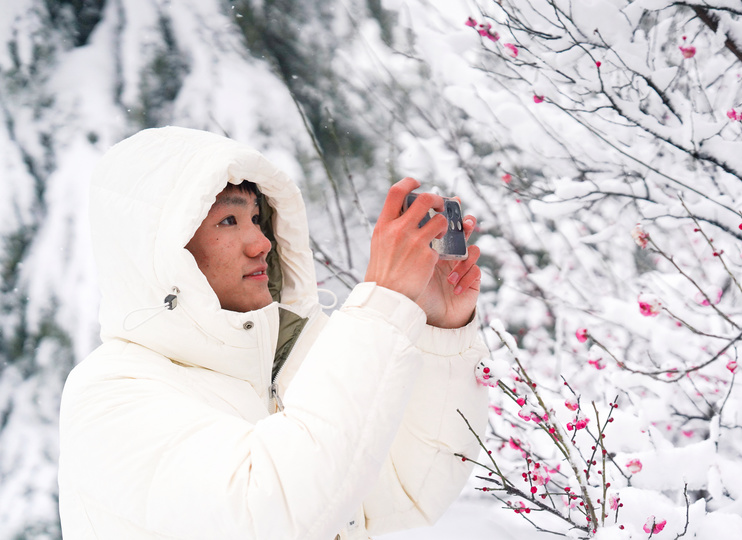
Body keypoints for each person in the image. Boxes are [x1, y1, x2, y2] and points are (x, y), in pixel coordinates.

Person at [58, 126, 490, 539]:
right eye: (228, 220)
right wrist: (383, 302)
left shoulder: (285, 362)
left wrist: (438, 327)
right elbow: (273, 513)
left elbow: (409, 491)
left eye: (258, 219)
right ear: (162, 250)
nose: (260, 242)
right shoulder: (110, 396)